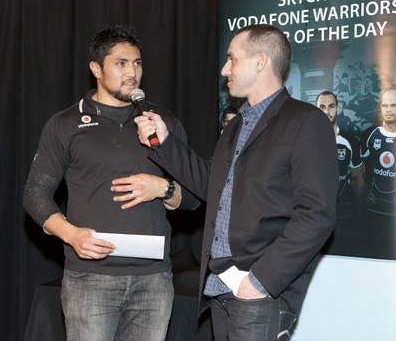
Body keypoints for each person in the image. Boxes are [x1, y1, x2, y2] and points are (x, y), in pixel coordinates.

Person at [135, 24, 338, 340]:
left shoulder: (306, 122)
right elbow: (210, 183)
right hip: (221, 287)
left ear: (259, 62)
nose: (224, 68)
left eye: (232, 59)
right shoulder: (235, 126)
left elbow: (316, 215)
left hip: (258, 293)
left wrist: (260, 281)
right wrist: (164, 140)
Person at [23, 24, 198, 341]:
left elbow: (195, 197)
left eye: (138, 63)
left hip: (154, 279)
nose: (132, 72)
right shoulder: (65, 123)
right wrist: (71, 234)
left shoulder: (163, 122)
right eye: (121, 63)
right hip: (90, 279)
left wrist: (164, 189)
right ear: (96, 69)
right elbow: (34, 194)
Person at [315, 90, 364, 256]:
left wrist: (358, 212)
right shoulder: (306, 140)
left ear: (338, 108)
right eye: (322, 107)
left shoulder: (350, 141)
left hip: (344, 214)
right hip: (315, 216)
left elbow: (358, 179)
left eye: (331, 106)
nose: (327, 112)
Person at [359, 88, 396, 259]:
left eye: (394, 105)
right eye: (385, 105)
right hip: (374, 212)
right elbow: (362, 169)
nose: (389, 109)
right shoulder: (370, 135)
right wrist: (365, 191)